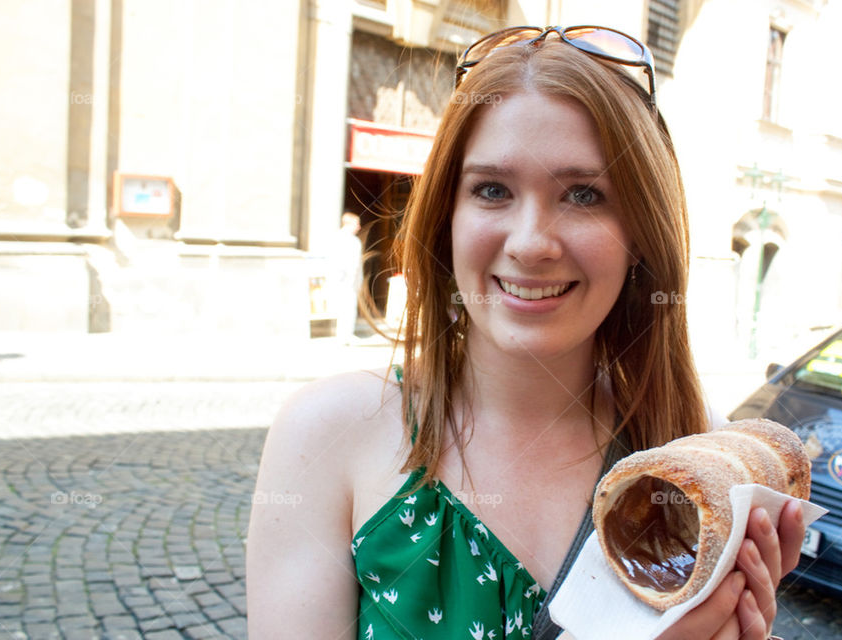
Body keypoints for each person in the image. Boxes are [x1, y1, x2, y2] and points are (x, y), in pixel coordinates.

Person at [246, 26, 804, 639]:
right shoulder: (329, 433)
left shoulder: (697, 449)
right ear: (445, 219)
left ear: (640, 234)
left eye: (584, 195)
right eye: (492, 190)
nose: (532, 242)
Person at [332, 212, 363, 344]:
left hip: (352, 280)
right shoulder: (339, 238)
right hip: (343, 279)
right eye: (356, 224)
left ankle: (348, 334)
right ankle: (343, 335)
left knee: (350, 307)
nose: (359, 227)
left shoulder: (355, 241)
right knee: (344, 307)